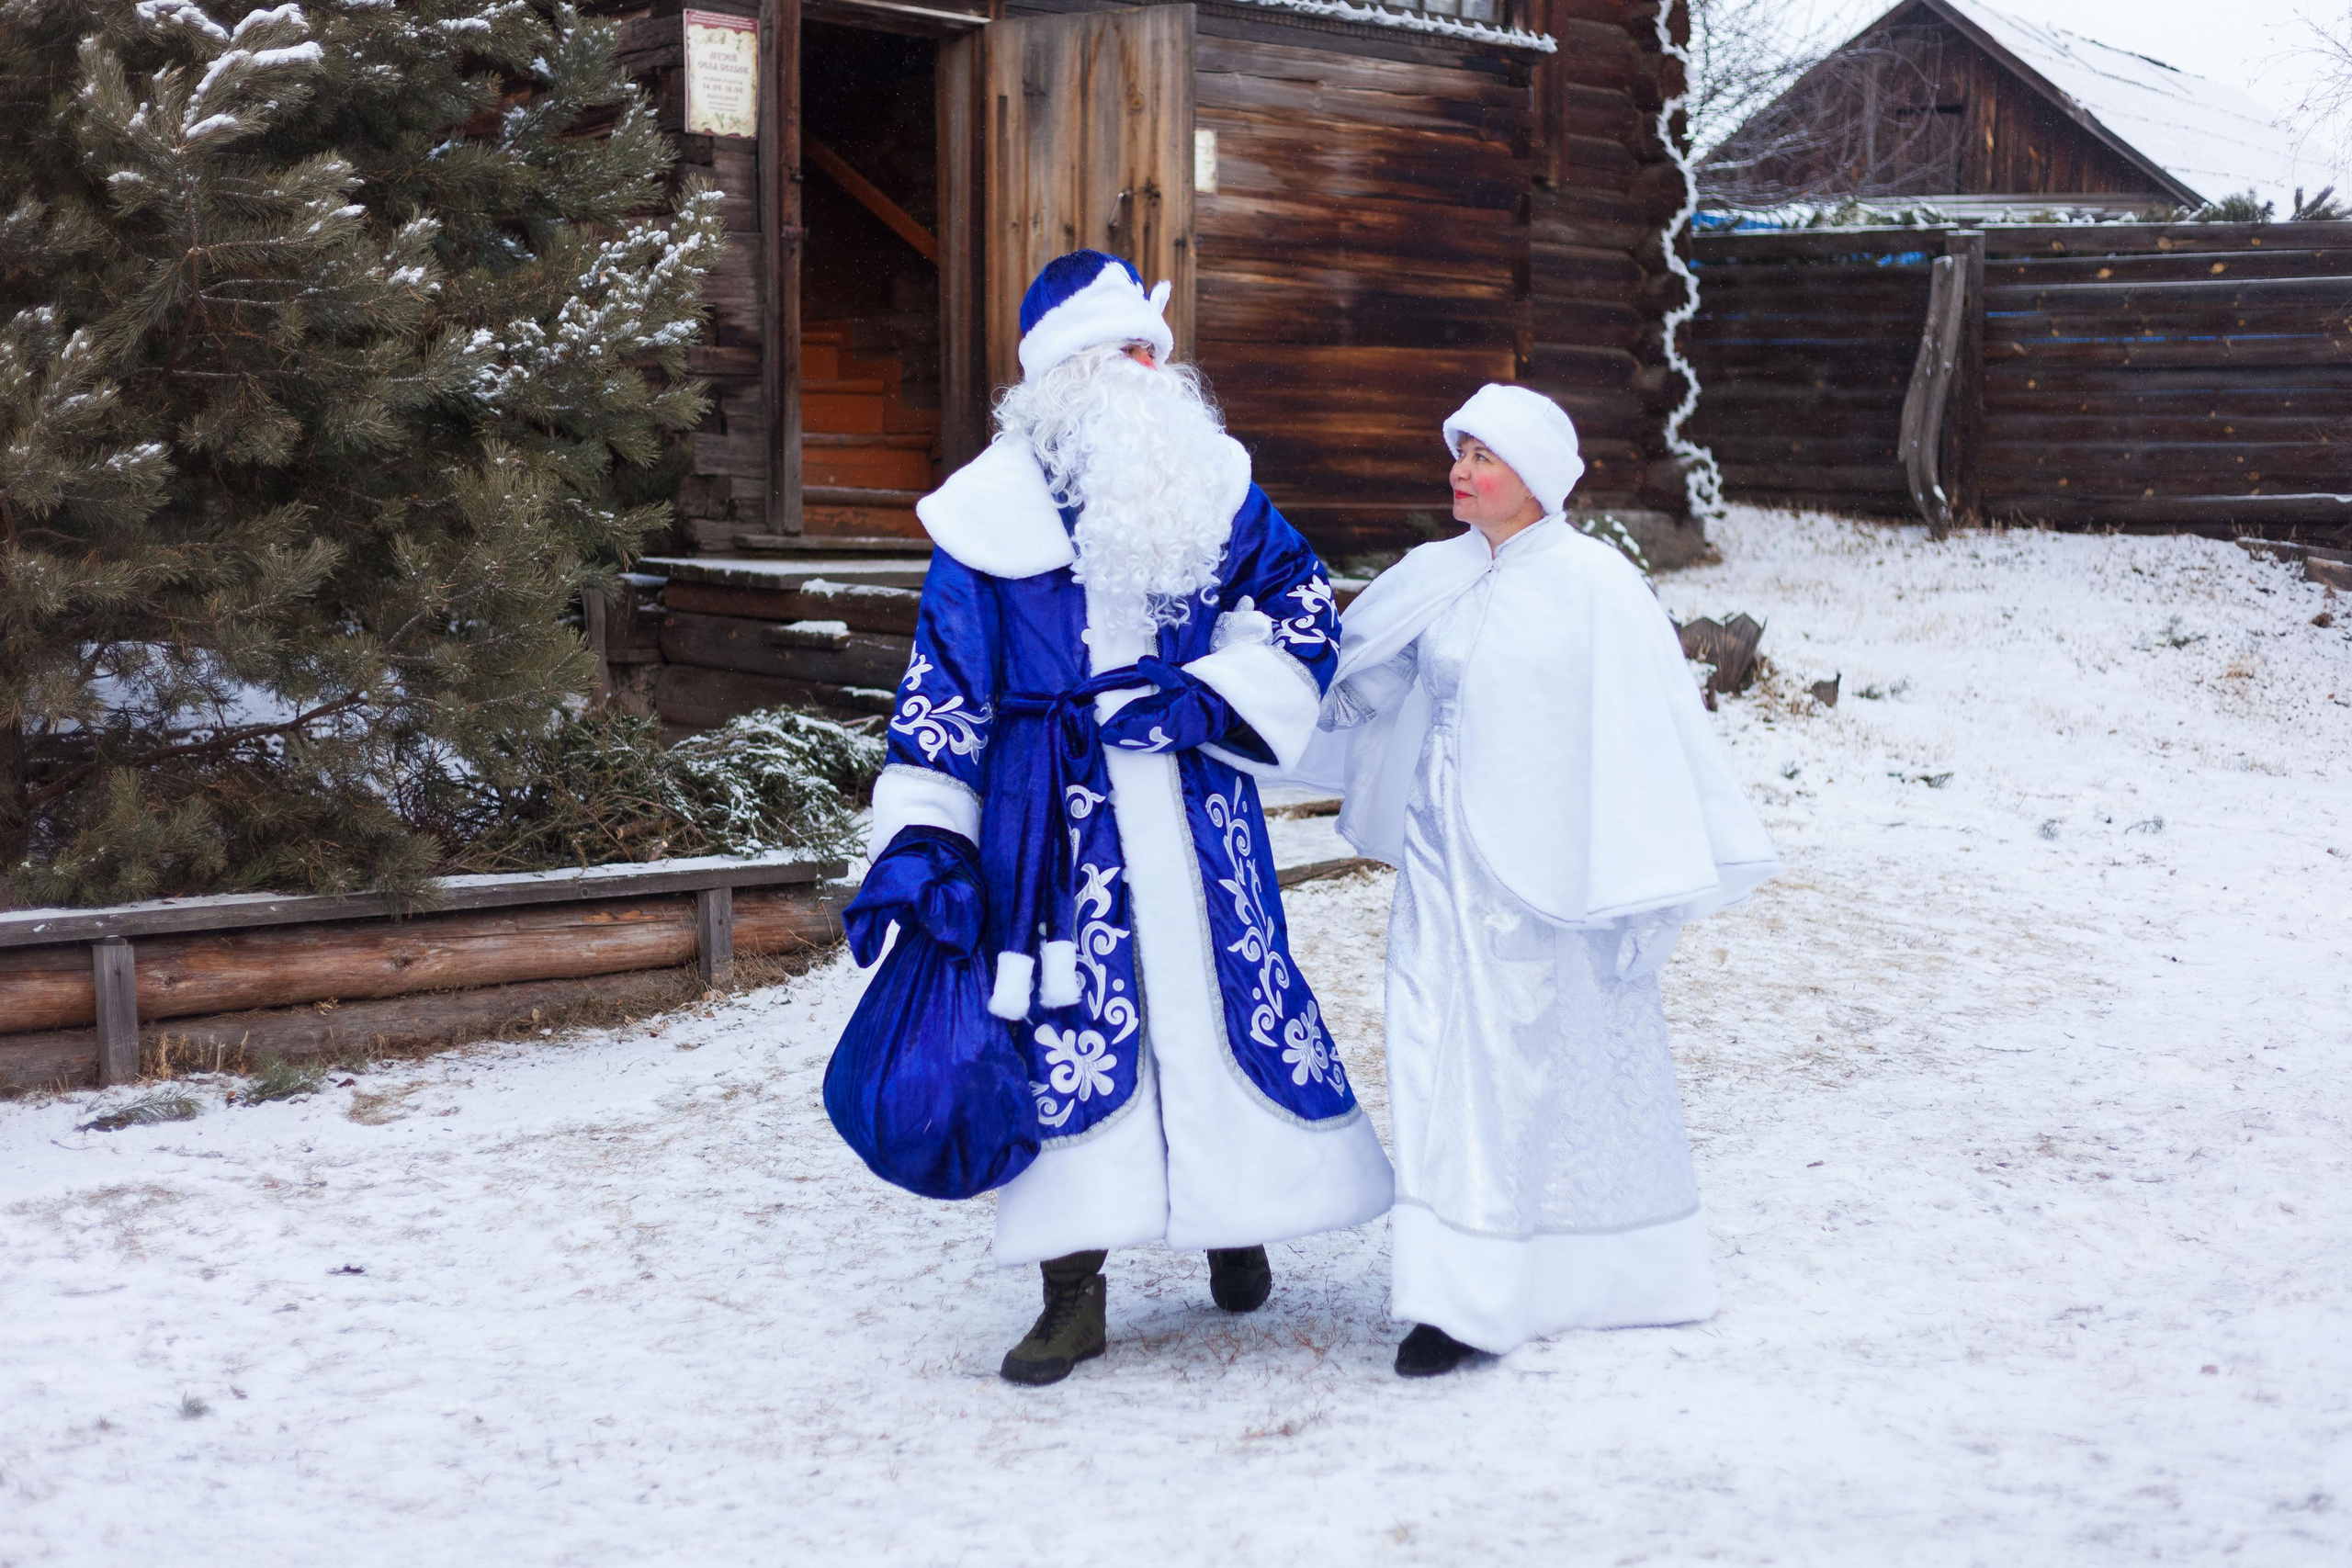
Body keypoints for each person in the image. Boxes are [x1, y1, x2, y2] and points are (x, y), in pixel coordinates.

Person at [865, 251, 1394, 1386]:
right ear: (1065, 375)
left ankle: (1239, 1217)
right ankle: (1072, 1290)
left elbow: (1300, 603)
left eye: (1156, 352)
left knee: (1222, 1005)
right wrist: (925, 837)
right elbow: (945, 681)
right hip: (1049, 827)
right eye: (1126, 353)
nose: (1152, 371)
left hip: (1198, 808)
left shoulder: (1209, 481)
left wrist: (1210, 695)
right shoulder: (986, 516)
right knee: (1067, 1035)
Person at [1305, 383, 1779, 1378]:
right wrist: (1288, 681)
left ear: (1536, 476)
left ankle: (1575, 1276)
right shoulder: (1436, 575)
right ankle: (1455, 1296)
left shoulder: (1595, 585)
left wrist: (1642, 882)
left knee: (1544, 1068)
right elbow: (1368, 677)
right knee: (1436, 1060)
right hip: (1441, 874)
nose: (1461, 471)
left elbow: (1643, 737)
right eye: (1459, 452)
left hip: (1552, 881)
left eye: (1484, 456)